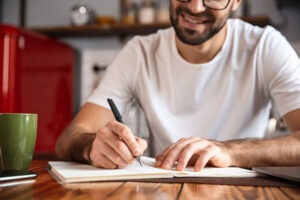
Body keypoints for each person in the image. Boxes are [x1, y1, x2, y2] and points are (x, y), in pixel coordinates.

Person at [56, 0, 300, 171]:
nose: (195, 7)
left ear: (236, 1)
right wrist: (93, 146)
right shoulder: (139, 52)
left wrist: (231, 152)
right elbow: (69, 138)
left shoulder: (265, 46)